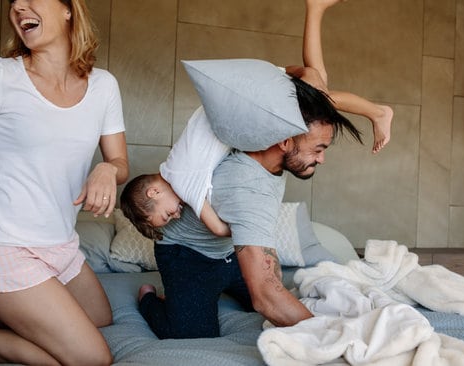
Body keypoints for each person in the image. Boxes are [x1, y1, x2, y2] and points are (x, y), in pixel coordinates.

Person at [126, 75, 363, 339]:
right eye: (318, 149)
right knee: (191, 333)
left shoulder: (267, 145)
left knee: (271, 296)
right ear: (285, 141)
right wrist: (333, 337)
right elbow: (267, 298)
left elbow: (313, 79)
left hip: (229, 254)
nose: (322, 158)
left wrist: (376, 114)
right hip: (189, 255)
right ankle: (148, 299)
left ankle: (223, 281)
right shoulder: (245, 186)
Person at [0, 0, 128, 365]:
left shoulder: (104, 86)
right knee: (92, 358)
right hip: (6, 246)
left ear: (68, 9)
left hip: (61, 245)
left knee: (101, 318)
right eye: (12, 3)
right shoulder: (3, 76)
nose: (18, 6)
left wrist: (106, 170)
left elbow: (120, 163)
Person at [286, 0, 393, 154]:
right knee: (316, 93)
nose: (320, 159)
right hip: (273, 80)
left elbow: (299, 73)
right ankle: (315, 7)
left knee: (316, 90)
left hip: (273, 78)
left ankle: (315, 8)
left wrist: (305, 74)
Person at [121, 106, 231, 241]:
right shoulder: (173, 163)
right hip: (213, 108)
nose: (178, 216)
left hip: (230, 112)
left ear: (154, 192)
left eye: (168, 215)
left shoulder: (181, 183)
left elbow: (219, 229)